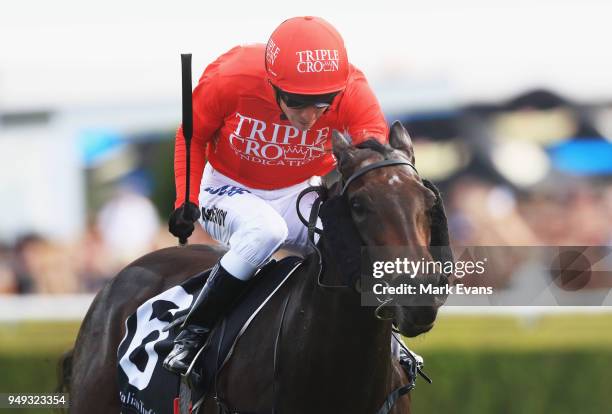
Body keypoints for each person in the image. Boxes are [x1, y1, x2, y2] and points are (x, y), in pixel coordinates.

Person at [164, 16, 389, 374]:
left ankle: (389, 340)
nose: (310, 116)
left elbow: (375, 160)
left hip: (299, 192)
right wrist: (185, 200)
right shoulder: (230, 78)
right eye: (298, 102)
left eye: (323, 103)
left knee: (351, 240)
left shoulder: (354, 91)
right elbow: (191, 137)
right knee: (265, 230)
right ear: (272, 84)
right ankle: (192, 332)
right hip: (227, 189)